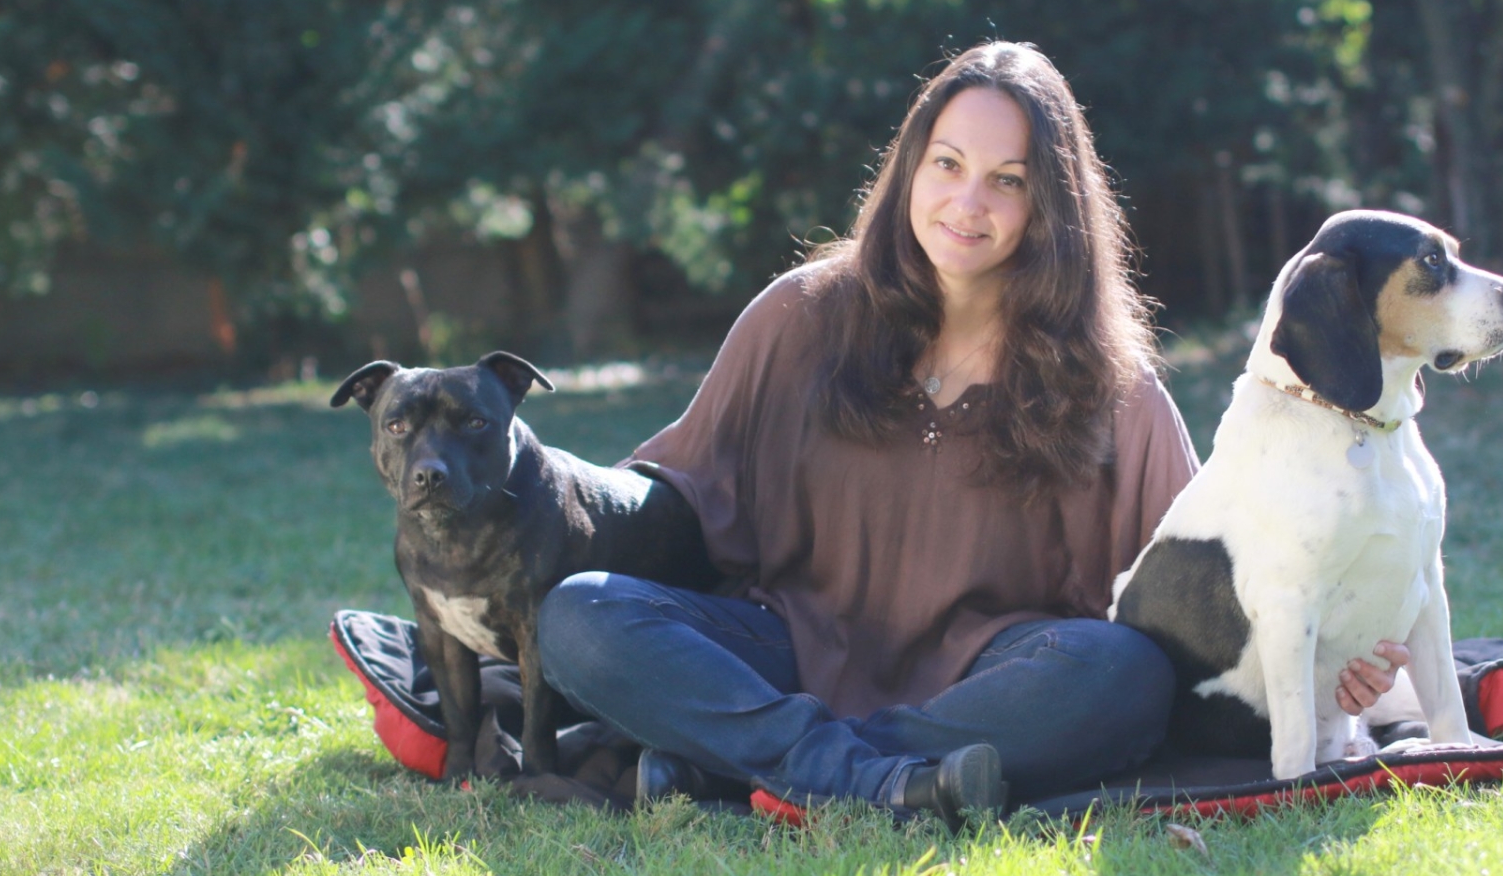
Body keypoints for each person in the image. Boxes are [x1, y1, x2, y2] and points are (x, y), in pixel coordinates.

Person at [536, 41, 1405, 823]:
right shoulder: (799, 317)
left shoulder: (1110, 384)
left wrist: (1330, 660)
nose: (967, 202)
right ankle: (871, 781)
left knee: (1119, 674)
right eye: (947, 164)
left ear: (1049, 206)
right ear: (910, 167)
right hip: (786, 647)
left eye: (1008, 180)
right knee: (582, 613)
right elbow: (685, 492)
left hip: (988, 682)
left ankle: (747, 769)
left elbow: (1208, 581)